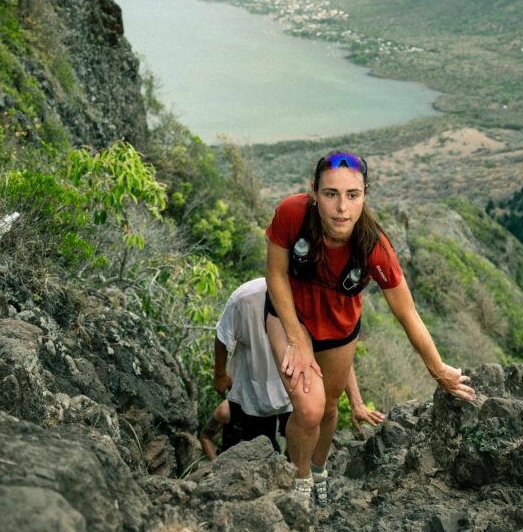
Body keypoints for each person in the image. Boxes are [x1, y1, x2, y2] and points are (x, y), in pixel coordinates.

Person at [265, 151, 475, 505]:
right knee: (309, 408)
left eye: (353, 195)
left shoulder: (373, 247)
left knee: (329, 408)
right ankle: (299, 477)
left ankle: (319, 468)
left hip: (338, 326)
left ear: (365, 195)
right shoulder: (292, 214)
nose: (341, 208)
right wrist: (297, 338)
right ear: (314, 192)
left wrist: (438, 369)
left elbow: (408, 313)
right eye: (331, 194)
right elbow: (275, 274)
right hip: (289, 315)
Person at [199, 277, 380, 466]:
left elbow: (336, 356)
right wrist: (220, 374)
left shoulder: (314, 297)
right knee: (260, 452)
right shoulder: (245, 298)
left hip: (298, 387)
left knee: (301, 442)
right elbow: (223, 335)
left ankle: (295, 474)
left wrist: (356, 402)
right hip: (255, 388)